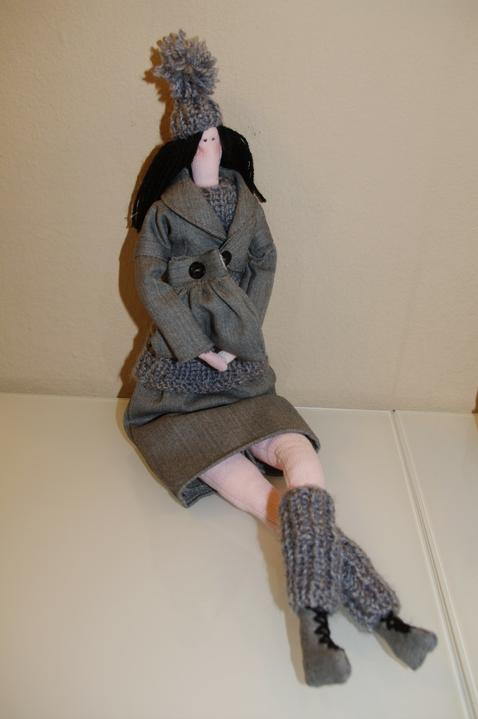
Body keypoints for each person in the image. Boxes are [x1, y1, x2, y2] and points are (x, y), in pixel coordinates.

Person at [123, 29, 437, 686]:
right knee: (257, 498)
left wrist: (242, 329)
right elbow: (151, 281)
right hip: (179, 391)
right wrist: (197, 344)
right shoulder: (164, 214)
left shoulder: (246, 201)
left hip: (244, 374)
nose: (209, 147)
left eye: (215, 137)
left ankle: (322, 618)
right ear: (181, 147)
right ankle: (375, 618)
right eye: (198, 140)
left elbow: (266, 262)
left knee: (296, 455)